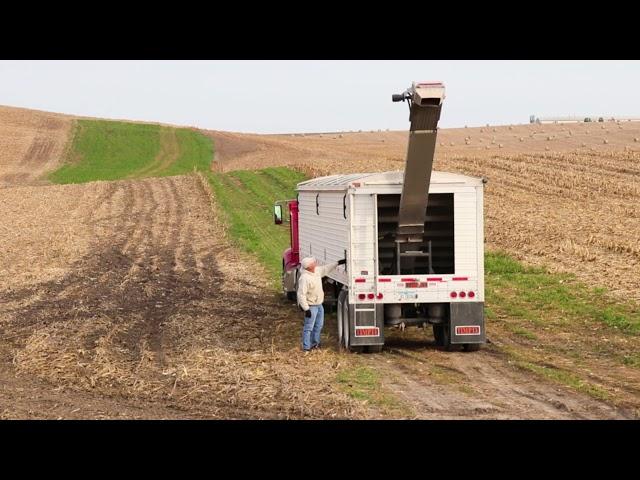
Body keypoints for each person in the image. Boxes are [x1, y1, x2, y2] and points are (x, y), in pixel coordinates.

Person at [297, 256, 346, 352]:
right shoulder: (304, 278)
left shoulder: (316, 271)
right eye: (313, 263)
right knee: (309, 327)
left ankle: (315, 344)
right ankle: (306, 347)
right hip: (311, 306)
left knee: (319, 326)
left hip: (319, 305)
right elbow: (301, 294)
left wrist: (337, 262)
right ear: (309, 266)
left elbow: (326, 268)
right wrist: (306, 309)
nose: (315, 264)